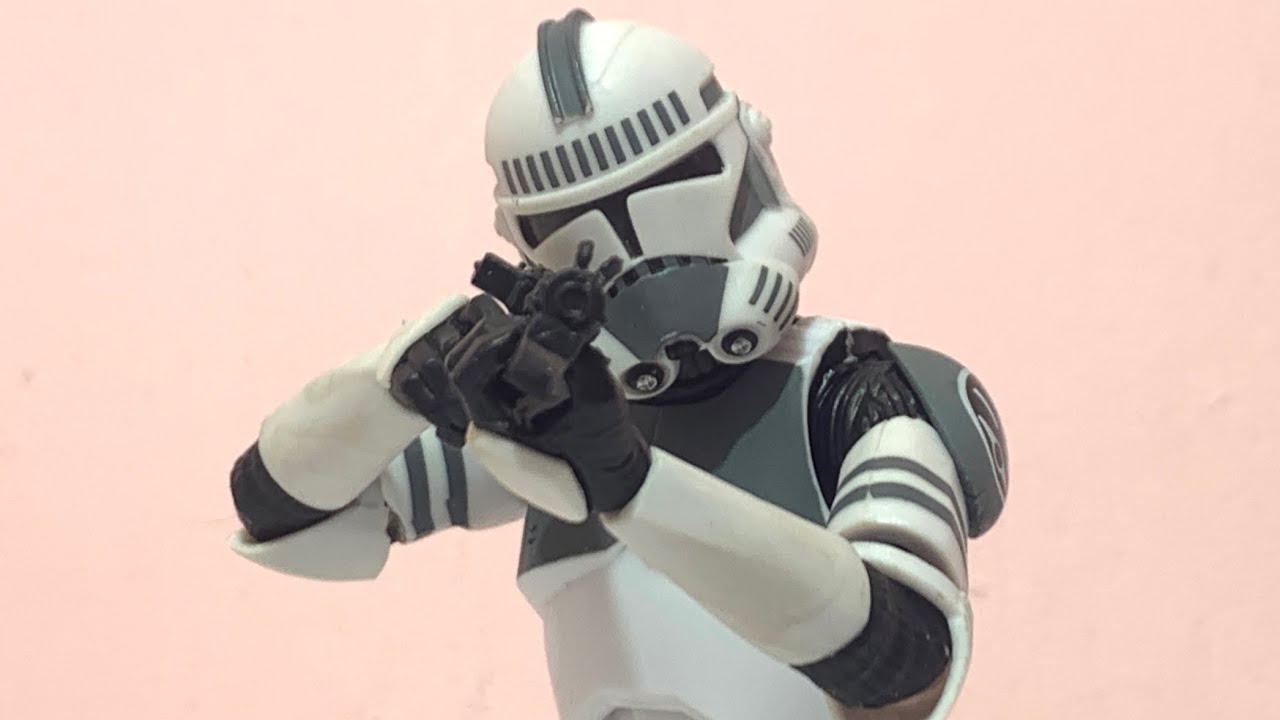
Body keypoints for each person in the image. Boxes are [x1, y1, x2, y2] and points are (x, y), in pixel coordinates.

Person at [227, 10, 1010, 720]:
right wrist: (388, 386)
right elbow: (284, 512)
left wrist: (634, 484)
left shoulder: (850, 391)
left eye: (672, 184)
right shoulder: (554, 417)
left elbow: (905, 660)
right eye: (575, 221)